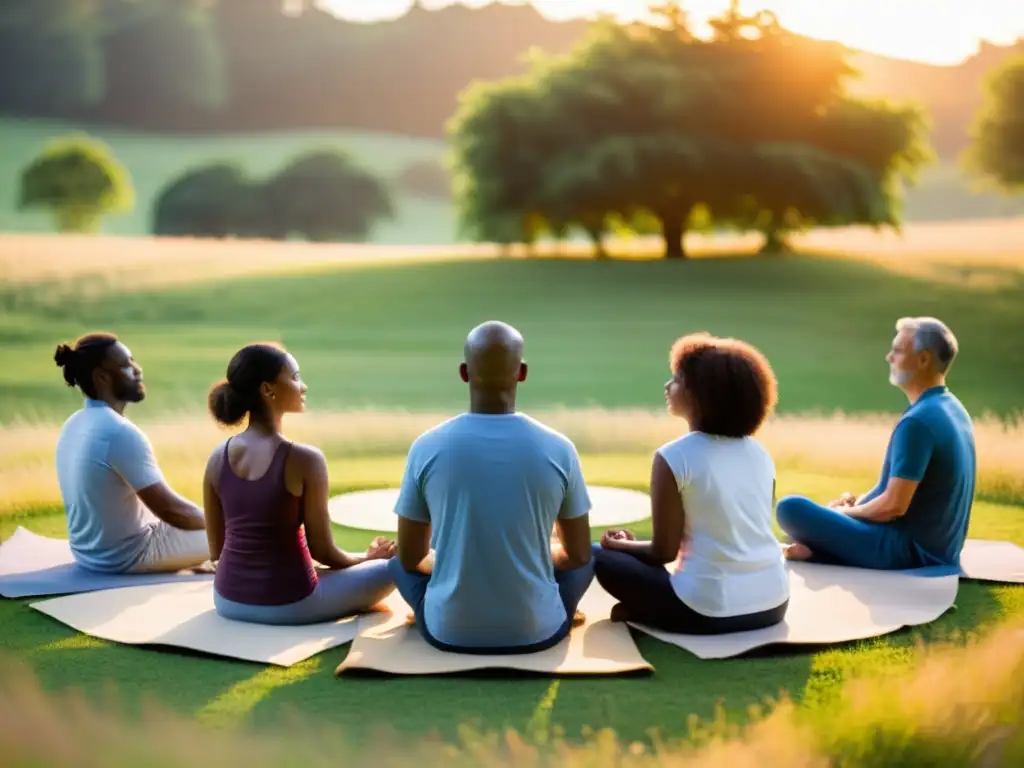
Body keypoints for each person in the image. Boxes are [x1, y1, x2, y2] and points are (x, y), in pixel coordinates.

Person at [388, 321, 594, 654]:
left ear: (464, 373)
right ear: (522, 372)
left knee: (395, 561)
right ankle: (554, 608)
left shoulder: (426, 446)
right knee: (593, 554)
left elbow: (411, 558)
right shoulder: (560, 448)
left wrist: (445, 562)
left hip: (449, 632)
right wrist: (542, 553)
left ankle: (436, 607)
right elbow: (578, 554)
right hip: (537, 632)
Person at [593, 332, 789, 635]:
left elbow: (663, 553)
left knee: (602, 558)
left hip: (709, 611)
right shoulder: (759, 453)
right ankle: (649, 610)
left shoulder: (674, 456)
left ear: (700, 394)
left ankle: (651, 612)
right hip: (773, 605)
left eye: (677, 380)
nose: (668, 387)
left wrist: (619, 545)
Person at [202, 342, 396, 625]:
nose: (302, 386)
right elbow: (324, 553)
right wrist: (370, 561)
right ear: (268, 390)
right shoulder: (305, 459)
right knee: (399, 564)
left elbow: (216, 550)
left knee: (349, 568)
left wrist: (362, 558)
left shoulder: (217, 457)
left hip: (227, 600)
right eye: (294, 377)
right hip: (291, 603)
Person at [777, 317, 976, 570]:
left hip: (908, 552)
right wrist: (859, 503)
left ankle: (818, 550)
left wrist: (840, 515)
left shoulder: (918, 422)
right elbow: (891, 490)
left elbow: (893, 507)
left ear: (923, 359)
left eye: (897, 350)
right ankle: (815, 552)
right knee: (821, 517)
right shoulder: (951, 408)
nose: (889, 357)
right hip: (939, 549)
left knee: (790, 508)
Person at [54, 332, 211, 575]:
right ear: (102, 377)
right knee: (243, 537)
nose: (137, 370)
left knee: (212, 523)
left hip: (87, 553)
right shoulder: (118, 432)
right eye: (126, 365)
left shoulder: (75, 422)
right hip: (127, 556)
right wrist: (225, 524)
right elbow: (171, 511)